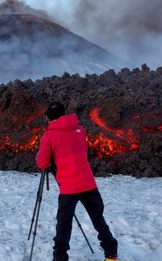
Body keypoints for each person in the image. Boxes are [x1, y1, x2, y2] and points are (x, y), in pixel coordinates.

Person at [36, 102, 118, 261]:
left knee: (63, 225)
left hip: (69, 187)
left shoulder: (49, 136)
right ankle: (111, 253)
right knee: (98, 219)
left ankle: (60, 257)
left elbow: (42, 163)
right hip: (88, 183)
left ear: (48, 117)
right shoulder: (80, 130)